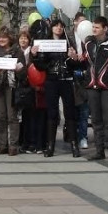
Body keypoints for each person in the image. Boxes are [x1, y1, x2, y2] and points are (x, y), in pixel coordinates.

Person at [76, 16, 108, 162]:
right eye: (93, 27)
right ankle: (99, 150)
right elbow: (84, 62)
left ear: (105, 29)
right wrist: (76, 58)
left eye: (97, 27)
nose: (94, 29)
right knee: (96, 120)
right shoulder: (88, 42)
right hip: (92, 85)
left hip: (107, 86)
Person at [31, 19, 80, 158]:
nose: (58, 28)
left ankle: (74, 144)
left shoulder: (68, 43)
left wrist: (73, 58)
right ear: (51, 28)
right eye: (56, 26)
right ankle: (50, 145)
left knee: (70, 112)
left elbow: (74, 65)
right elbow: (40, 65)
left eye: (61, 26)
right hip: (52, 80)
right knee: (52, 113)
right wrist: (34, 56)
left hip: (66, 79)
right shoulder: (45, 43)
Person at [0, 27, 26, 156]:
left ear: (10, 38)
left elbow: (24, 72)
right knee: (0, 117)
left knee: (12, 117)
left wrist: (18, 70)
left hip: (12, 87)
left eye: (4, 37)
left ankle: (13, 145)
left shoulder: (17, 52)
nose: (1, 39)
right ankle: (3, 145)